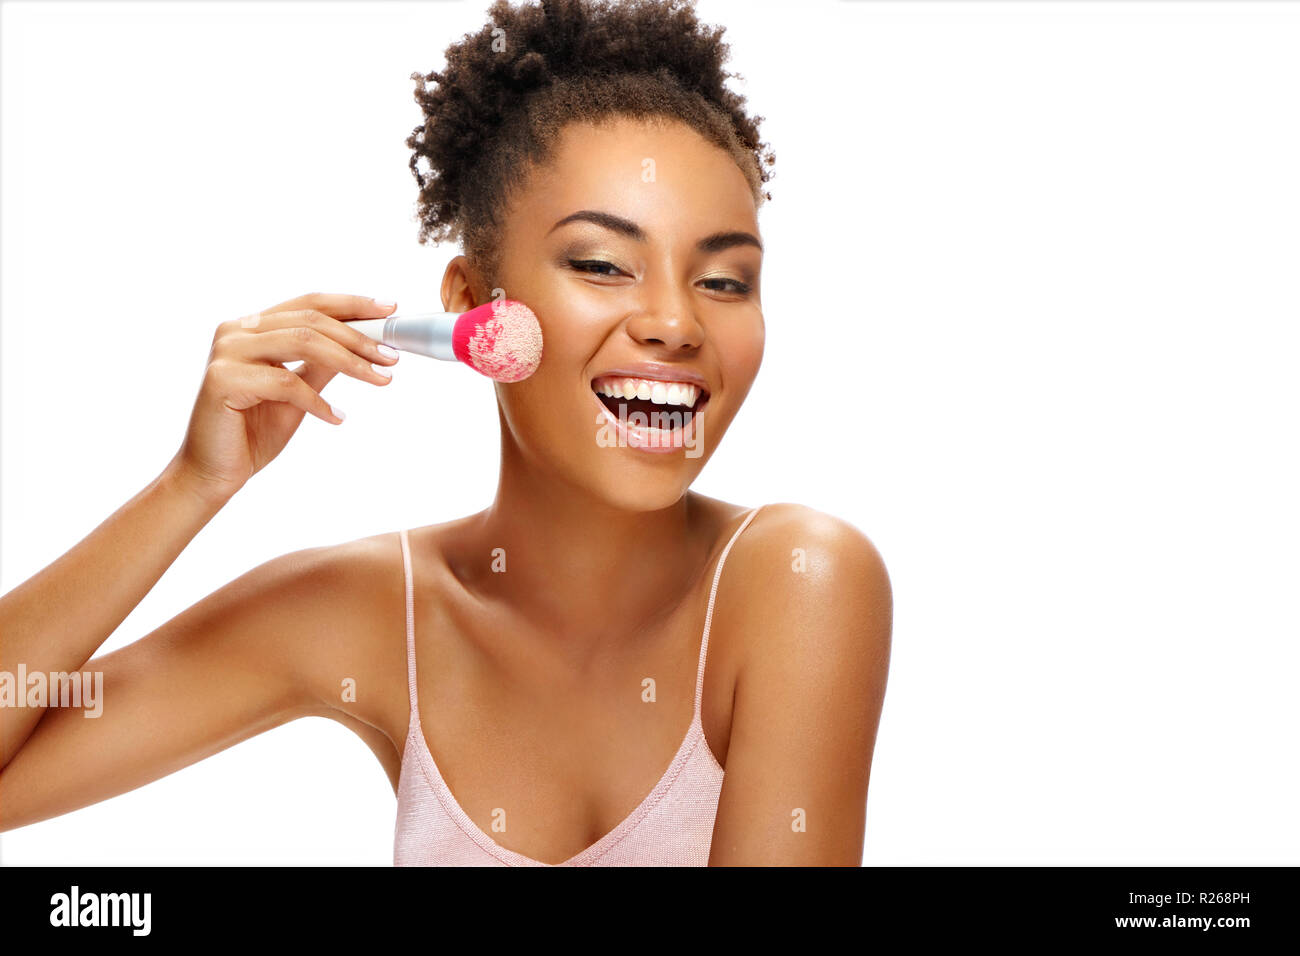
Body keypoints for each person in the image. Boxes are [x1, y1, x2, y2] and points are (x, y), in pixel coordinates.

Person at [0, 0, 891, 866]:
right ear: (472, 307)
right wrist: (189, 487)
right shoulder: (366, 613)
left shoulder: (798, 581)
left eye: (726, 281)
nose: (673, 322)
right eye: (601, 265)